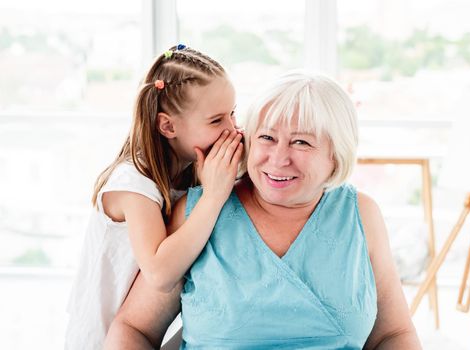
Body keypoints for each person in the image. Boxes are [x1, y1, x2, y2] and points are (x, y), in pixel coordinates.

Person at [105, 71, 422, 349]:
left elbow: (392, 333)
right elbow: (134, 329)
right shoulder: (197, 213)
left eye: (301, 143)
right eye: (267, 138)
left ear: (335, 156)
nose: (278, 158)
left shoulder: (361, 214)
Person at [65, 45, 243, 349]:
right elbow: (160, 273)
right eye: (217, 121)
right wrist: (213, 197)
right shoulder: (134, 184)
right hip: (101, 339)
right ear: (168, 126)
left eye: (233, 114)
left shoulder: (187, 171)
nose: (233, 129)